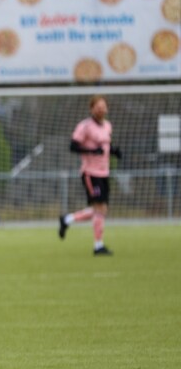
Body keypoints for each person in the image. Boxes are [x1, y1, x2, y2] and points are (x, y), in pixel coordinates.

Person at [59, 95, 118, 255]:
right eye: (98, 107)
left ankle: (67, 220)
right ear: (92, 109)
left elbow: (105, 146)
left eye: (103, 107)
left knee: (101, 209)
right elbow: (73, 146)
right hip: (90, 173)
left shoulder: (107, 126)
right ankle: (98, 246)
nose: (101, 110)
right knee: (100, 208)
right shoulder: (85, 126)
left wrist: (113, 151)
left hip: (104, 172)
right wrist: (91, 151)